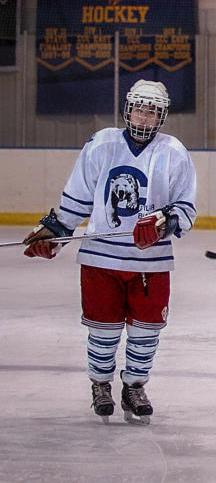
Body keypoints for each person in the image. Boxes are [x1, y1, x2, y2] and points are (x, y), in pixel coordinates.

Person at [21, 79, 197, 425]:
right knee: (102, 329)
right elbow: (79, 195)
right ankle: (101, 384)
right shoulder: (101, 143)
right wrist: (55, 229)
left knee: (146, 330)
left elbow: (186, 208)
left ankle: (133, 387)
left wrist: (165, 221)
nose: (143, 118)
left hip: (151, 262)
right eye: (138, 109)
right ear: (127, 109)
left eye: (151, 112)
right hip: (101, 258)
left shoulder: (173, 151)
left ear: (161, 116)